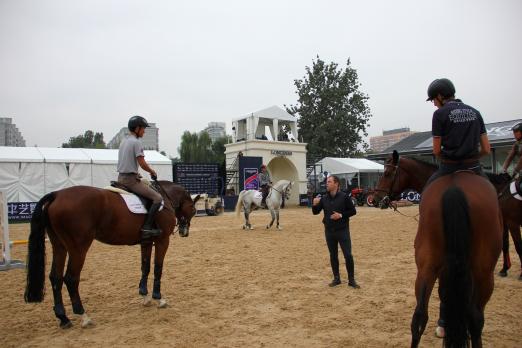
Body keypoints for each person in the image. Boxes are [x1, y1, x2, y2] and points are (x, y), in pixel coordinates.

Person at [425, 78, 491, 186]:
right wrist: (472, 159)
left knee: (427, 191)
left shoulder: (439, 114)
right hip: (473, 166)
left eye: (433, 100)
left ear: (440, 96)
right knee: (492, 192)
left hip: (449, 168)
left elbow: (436, 151)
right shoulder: (476, 112)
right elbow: (487, 149)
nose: (434, 104)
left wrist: (449, 160)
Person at [117, 115, 163, 239]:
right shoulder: (136, 142)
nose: (144, 131)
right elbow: (142, 163)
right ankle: (147, 228)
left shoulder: (124, 141)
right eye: (143, 128)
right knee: (157, 198)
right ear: (137, 128)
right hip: (130, 181)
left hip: (120, 178)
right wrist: (152, 171)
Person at [312, 175, 359, 288]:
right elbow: (315, 212)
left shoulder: (344, 197)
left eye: (329, 182)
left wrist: (341, 215)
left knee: (348, 255)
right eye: (326, 182)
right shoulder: (324, 198)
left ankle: (351, 280)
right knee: (333, 255)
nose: (326, 184)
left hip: (342, 231)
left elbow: (353, 211)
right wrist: (314, 204)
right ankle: (336, 278)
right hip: (329, 231)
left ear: (336, 184)